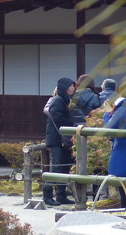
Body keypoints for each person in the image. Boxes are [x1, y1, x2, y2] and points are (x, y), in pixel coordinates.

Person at [43, 77, 76, 207]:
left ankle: (61, 196)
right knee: (56, 167)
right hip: (57, 138)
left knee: (64, 167)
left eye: (73, 86)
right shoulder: (58, 100)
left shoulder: (66, 100)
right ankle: (48, 196)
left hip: (63, 138)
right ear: (63, 87)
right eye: (70, 86)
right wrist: (71, 124)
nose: (73, 88)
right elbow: (57, 117)